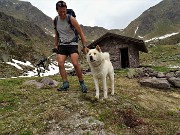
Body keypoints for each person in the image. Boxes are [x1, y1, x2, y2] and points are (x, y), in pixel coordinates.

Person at [54, 1, 87, 93]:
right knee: (60, 63)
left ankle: (82, 83)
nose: (63, 13)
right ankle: (65, 84)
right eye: (60, 12)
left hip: (72, 44)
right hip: (62, 45)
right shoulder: (56, 20)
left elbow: (80, 32)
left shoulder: (71, 18)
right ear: (57, 11)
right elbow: (56, 34)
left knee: (75, 63)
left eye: (64, 11)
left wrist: (84, 46)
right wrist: (55, 45)